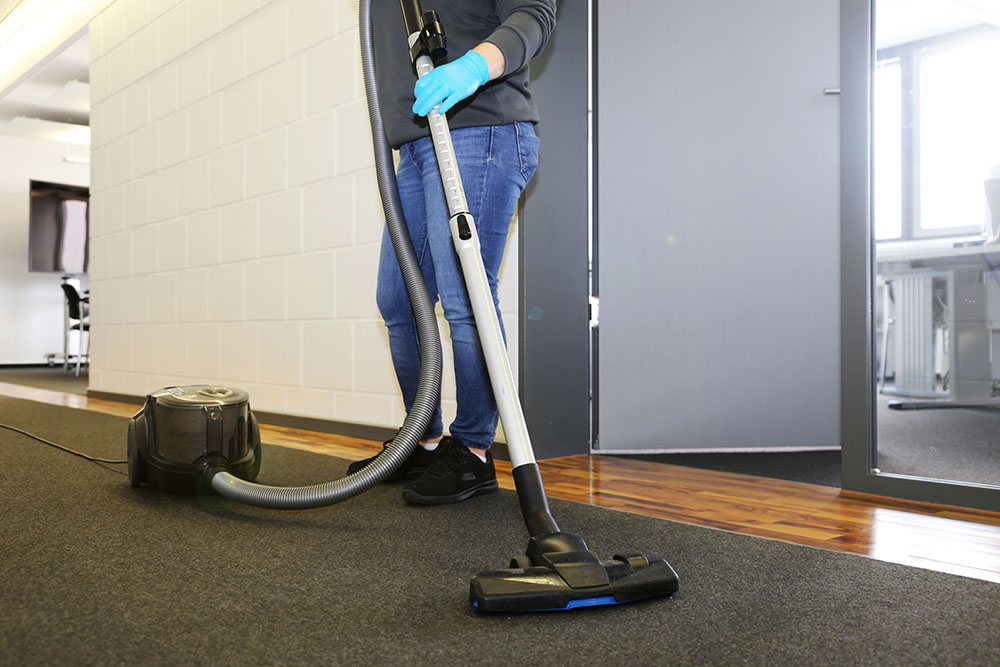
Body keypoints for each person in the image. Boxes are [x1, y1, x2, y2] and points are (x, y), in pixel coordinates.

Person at [347, 0, 557, 505]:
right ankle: (423, 437)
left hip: (478, 128)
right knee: (399, 301)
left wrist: (473, 66)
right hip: (417, 146)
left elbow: (535, 14)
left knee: (466, 302)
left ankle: (474, 450)